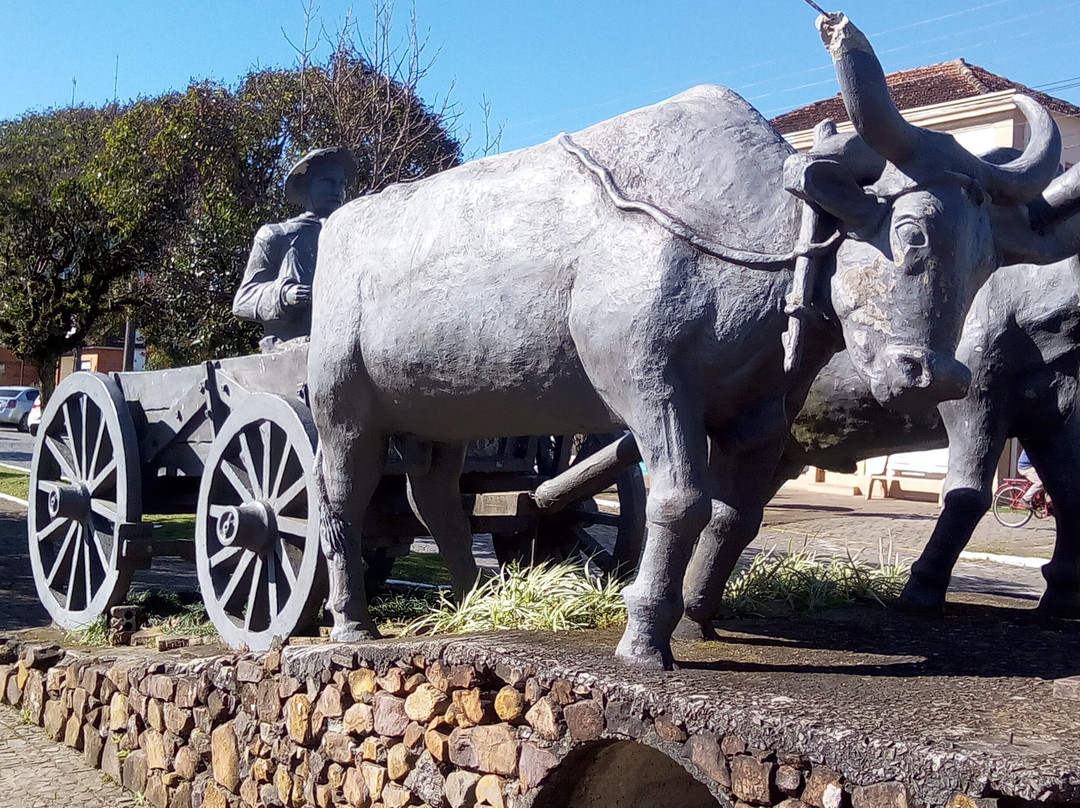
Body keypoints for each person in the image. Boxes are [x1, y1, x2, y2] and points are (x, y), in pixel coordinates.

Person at [233, 147, 357, 352]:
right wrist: (284, 295)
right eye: (328, 181)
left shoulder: (351, 238)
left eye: (342, 184)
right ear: (306, 186)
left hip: (342, 346)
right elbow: (243, 300)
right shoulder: (277, 235)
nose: (338, 190)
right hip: (289, 351)